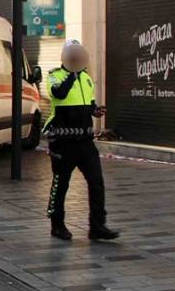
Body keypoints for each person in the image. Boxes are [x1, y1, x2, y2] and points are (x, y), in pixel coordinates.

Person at [43, 41, 119, 241]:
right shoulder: (54, 75)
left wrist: (96, 111)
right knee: (61, 184)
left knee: (97, 183)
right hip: (62, 141)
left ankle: (98, 226)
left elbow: (89, 104)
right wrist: (72, 74)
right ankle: (57, 224)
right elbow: (58, 93)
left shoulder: (87, 78)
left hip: (85, 141)